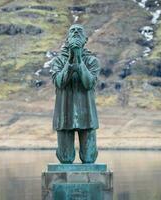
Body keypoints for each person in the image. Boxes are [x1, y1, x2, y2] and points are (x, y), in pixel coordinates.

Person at [50, 24, 101, 164]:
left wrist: (78, 59)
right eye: (73, 31)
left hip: (87, 115)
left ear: (85, 39)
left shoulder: (92, 61)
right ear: (67, 39)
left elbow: (89, 83)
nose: (76, 32)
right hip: (64, 114)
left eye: (79, 31)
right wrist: (71, 60)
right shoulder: (58, 61)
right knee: (65, 159)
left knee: (89, 158)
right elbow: (59, 82)